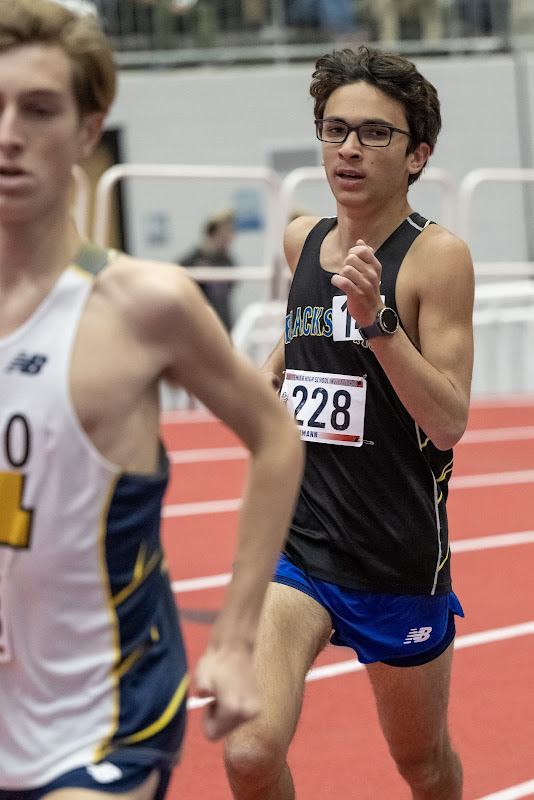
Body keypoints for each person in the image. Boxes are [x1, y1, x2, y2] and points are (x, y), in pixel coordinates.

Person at [0, 1, 304, 799]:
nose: (7, 133)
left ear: (88, 129)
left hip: (105, 715)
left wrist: (236, 638)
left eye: (38, 110)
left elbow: (277, 437)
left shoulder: (145, 306)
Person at [223, 45, 474, 799]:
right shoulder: (303, 239)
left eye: (374, 134)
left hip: (397, 558)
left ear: (418, 154)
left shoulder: (437, 259)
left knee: (422, 767)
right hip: (298, 546)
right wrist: (266, 372)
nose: (349, 150)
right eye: (335, 131)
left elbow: (451, 421)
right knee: (247, 752)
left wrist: (380, 325)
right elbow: (304, 333)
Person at [179, 211, 236, 330]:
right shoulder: (189, 262)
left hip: (224, 324)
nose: (229, 241)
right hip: (198, 326)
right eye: (225, 237)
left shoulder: (228, 262)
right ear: (212, 234)